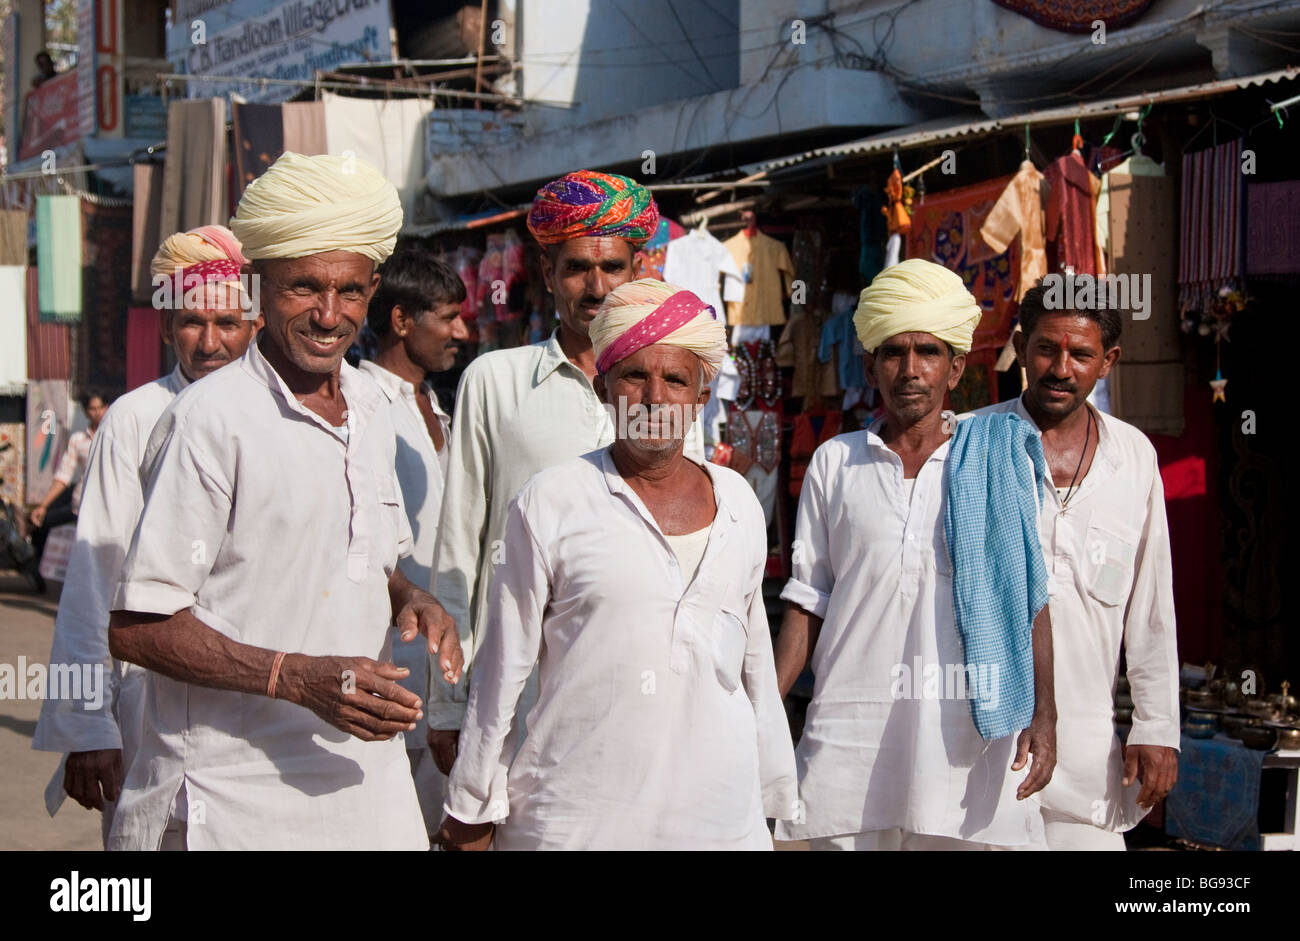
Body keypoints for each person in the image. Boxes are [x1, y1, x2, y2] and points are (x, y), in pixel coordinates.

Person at [106, 152, 463, 850]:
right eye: (305, 287)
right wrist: (296, 677)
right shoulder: (210, 419)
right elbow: (137, 625)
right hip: (231, 796)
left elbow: (353, 556)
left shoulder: (367, 404)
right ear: (259, 287)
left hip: (365, 789)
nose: (330, 315)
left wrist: (409, 597)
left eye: (351, 291)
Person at [438, 279, 796, 850]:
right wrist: (473, 802)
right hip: (571, 819)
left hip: (719, 820)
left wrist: (773, 784)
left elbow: (753, 660)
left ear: (702, 395)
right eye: (635, 376)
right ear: (604, 386)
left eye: (676, 379)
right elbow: (503, 669)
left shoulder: (739, 503)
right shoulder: (551, 500)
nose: (654, 397)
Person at [773, 259, 1056, 851]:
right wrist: (763, 710)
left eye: (927, 352)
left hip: (964, 730)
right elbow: (806, 598)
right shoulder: (836, 461)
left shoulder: (995, 459)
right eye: (892, 352)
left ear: (956, 367)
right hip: (850, 722)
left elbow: (1028, 596)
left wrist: (1046, 715)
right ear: (871, 363)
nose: (909, 370)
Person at [426, 169, 681, 776]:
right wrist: (447, 704)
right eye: (576, 269)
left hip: (642, 689)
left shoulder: (668, 386)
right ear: (547, 275)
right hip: (517, 696)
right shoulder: (494, 380)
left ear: (637, 270)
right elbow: (460, 542)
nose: (596, 287)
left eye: (613, 268)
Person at [31, 226, 259, 845]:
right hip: (152, 707)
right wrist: (88, 727)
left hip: (264, 711)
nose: (210, 343)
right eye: (191, 323)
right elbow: (92, 578)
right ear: (165, 328)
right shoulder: (134, 419)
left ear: (255, 325)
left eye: (228, 324)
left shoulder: (280, 418)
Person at [975, 282, 1178, 850]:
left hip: (1088, 756)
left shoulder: (1133, 455)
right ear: (1020, 345)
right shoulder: (970, 442)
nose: (1061, 369)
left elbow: (1150, 602)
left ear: (1107, 362)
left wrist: (1157, 727)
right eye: (1045, 349)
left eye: (1081, 354)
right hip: (980, 749)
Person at [358, 246, 468, 836]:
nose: (461, 331)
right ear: (401, 321)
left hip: (444, 653)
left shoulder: (439, 408)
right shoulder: (361, 403)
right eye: (447, 317)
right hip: (388, 651)